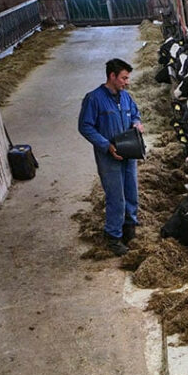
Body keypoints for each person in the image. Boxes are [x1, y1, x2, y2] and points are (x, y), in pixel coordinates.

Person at [78, 58, 145, 256]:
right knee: (116, 197)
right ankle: (113, 236)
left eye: (128, 78)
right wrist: (106, 145)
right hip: (109, 156)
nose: (127, 82)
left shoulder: (126, 97)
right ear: (112, 76)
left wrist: (136, 123)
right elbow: (85, 126)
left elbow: (135, 113)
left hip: (128, 152)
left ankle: (129, 229)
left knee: (131, 192)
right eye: (124, 78)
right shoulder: (94, 99)